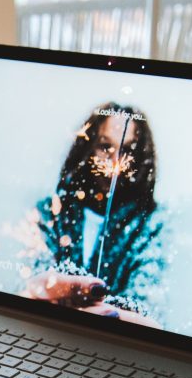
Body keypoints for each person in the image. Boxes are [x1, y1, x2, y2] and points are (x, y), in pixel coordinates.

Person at [21, 102, 166, 328]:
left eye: (127, 150)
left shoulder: (152, 224)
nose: (115, 163)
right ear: (87, 149)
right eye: (105, 147)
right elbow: (32, 286)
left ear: (139, 158)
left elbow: (147, 308)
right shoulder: (51, 212)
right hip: (48, 330)